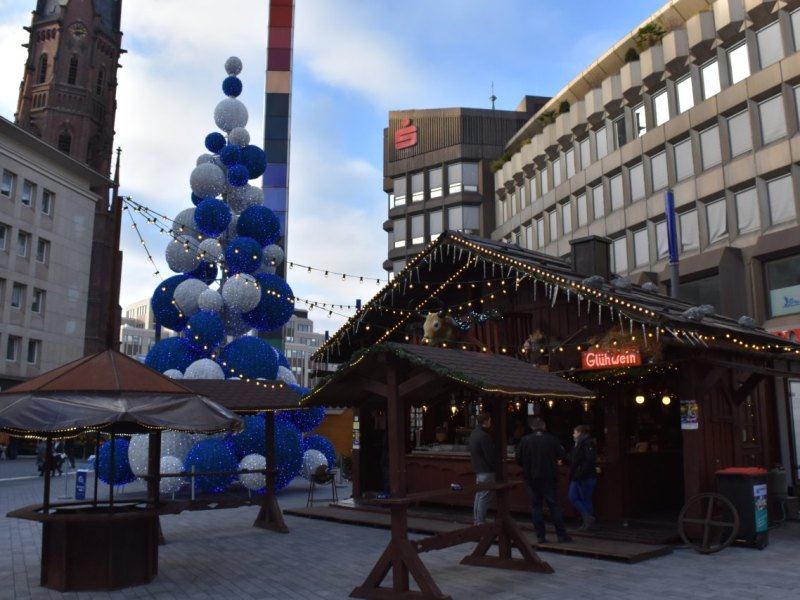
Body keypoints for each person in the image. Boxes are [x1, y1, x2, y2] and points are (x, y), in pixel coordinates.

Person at [515, 417, 572, 543]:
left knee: (536, 507)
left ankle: (540, 536)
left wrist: (527, 466)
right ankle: (561, 535)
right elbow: (562, 456)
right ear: (544, 426)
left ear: (532, 427)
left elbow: (518, 458)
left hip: (532, 478)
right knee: (554, 506)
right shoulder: (552, 439)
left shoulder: (525, 440)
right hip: (549, 477)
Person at [468, 412, 497, 525]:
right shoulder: (484, 436)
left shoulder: (474, 433)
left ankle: (477, 520)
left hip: (479, 470)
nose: (491, 422)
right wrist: (496, 468)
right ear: (485, 421)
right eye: (490, 420)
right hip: (487, 470)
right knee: (484, 497)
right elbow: (490, 456)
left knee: (479, 496)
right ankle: (480, 522)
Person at [568, 425, 598, 530]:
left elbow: (588, 460)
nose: (573, 434)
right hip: (578, 475)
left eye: (575, 432)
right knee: (574, 497)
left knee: (584, 498)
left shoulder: (587, 443)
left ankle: (587, 521)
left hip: (584, 476)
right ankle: (588, 518)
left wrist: (580, 473)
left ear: (580, 433)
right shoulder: (579, 443)